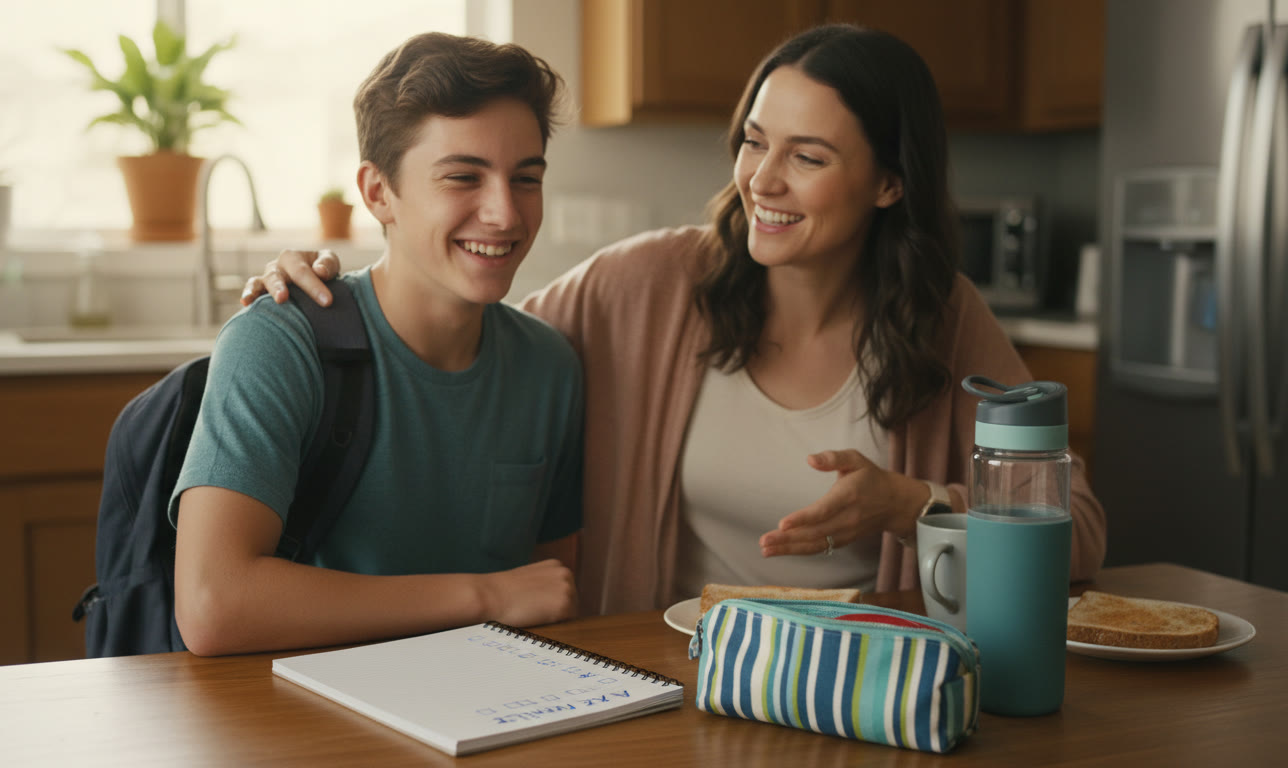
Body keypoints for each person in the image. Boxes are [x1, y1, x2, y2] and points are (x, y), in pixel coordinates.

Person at [244, 24, 1106, 617]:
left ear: (889, 183)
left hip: (861, 695)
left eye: (807, 157)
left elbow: (1080, 538)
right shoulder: (649, 286)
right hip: (668, 682)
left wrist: (915, 505)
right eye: (754, 140)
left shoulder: (943, 319)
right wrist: (335, 281)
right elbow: (454, 326)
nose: (762, 180)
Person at [172, 32, 584, 656]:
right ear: (377, 193)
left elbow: (550, 596)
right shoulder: (281, 343)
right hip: (301, 720)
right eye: (462, 177)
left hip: (491, 709)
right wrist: (485, 597)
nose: (505, 213)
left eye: (526, 178)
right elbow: (213, 605)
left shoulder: (550, 368)